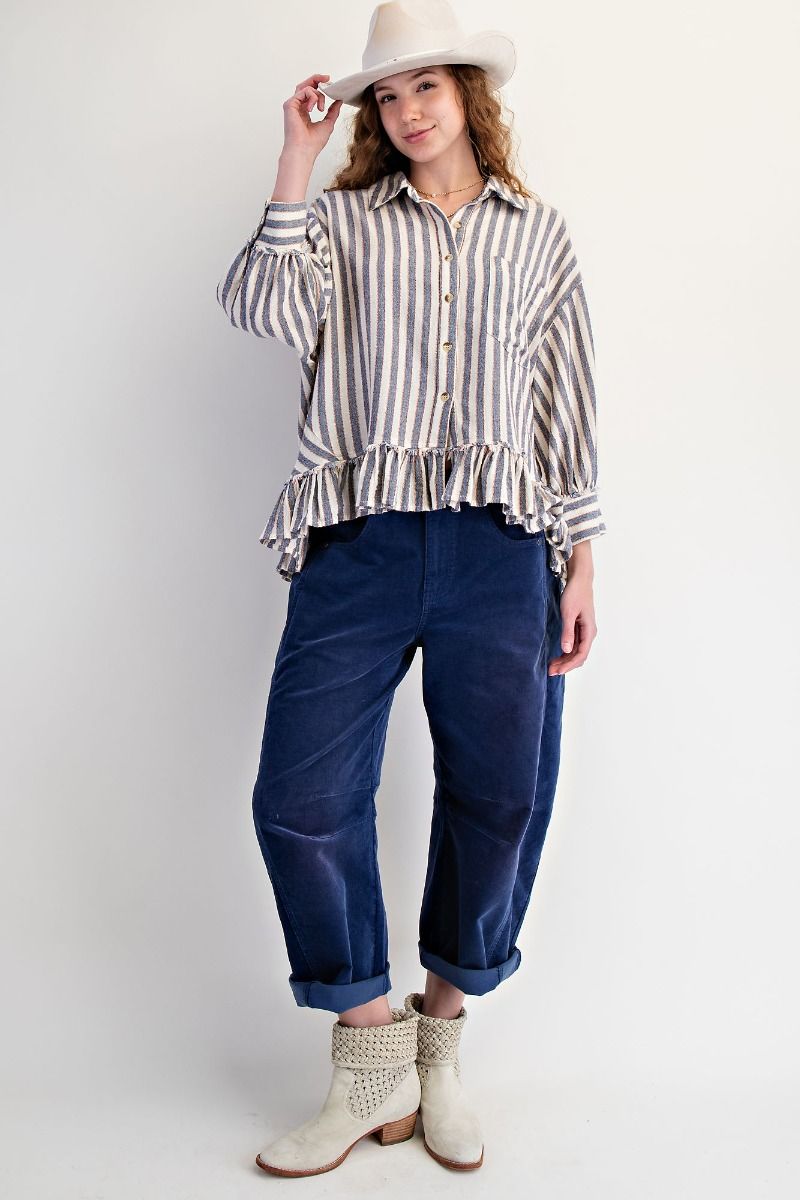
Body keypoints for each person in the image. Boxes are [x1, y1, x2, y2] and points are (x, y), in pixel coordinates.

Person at [216, 0, 606, 1178]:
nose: (405, 110)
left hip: (500, 549)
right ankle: (368, 1055)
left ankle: (440, 1044)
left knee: (499, 796)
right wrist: (294, 159)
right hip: (359, 544)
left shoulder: (537, 238)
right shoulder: (339, 224)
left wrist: (580, 557)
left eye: (424, 86)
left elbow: (564, 403)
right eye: (386, 95)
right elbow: (258, 309)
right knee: (297, 799)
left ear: (466, 95)